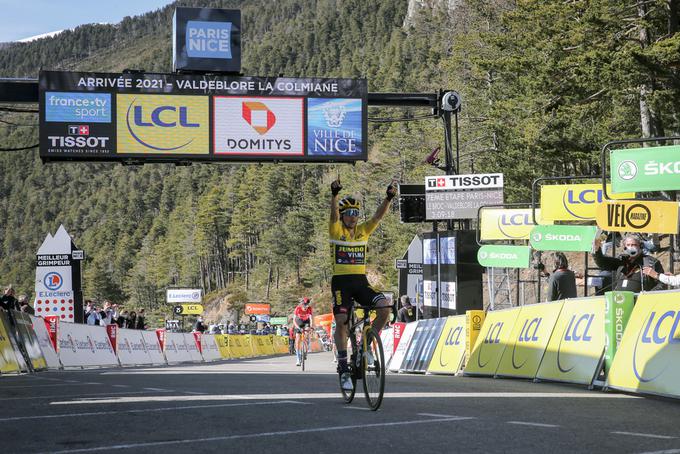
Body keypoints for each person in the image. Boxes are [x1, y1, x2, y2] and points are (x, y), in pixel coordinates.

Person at [329, 178, 396, 391]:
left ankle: (367, 345)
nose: (353, 217)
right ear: (342, 215)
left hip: (360, 281)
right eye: (349, 214)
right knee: (341, 320)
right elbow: (332, 216)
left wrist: (388, 198)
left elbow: (377, 216)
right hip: (341, 283)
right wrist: (334, 196)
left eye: (356, 214)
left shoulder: (363, 231)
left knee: (385, 308)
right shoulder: (336, 231)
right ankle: (342, 367)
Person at [592, 234, 665, 293]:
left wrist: (648, 296)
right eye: (628, 245)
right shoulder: (621, 261)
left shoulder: (651, 262)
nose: (631, 247)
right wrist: (597, 250)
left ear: (641, 246)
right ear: (624, 247)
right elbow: (602, 263)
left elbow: (662, 284)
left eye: (634, 245)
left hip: (641, 304)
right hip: (619, 302)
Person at [293, 297, 314, 366]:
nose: (306, 306)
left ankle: (305, 349)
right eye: (305, 304)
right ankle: (298, 359)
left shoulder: (309, 309)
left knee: (306, 333)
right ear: (302, 304)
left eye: (307, 304)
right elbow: (294, 320)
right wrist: (298, 327)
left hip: (306, 321)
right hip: (299, 321)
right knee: (298, 339)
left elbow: (311, 318)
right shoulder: (298, 308)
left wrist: (311, 327)